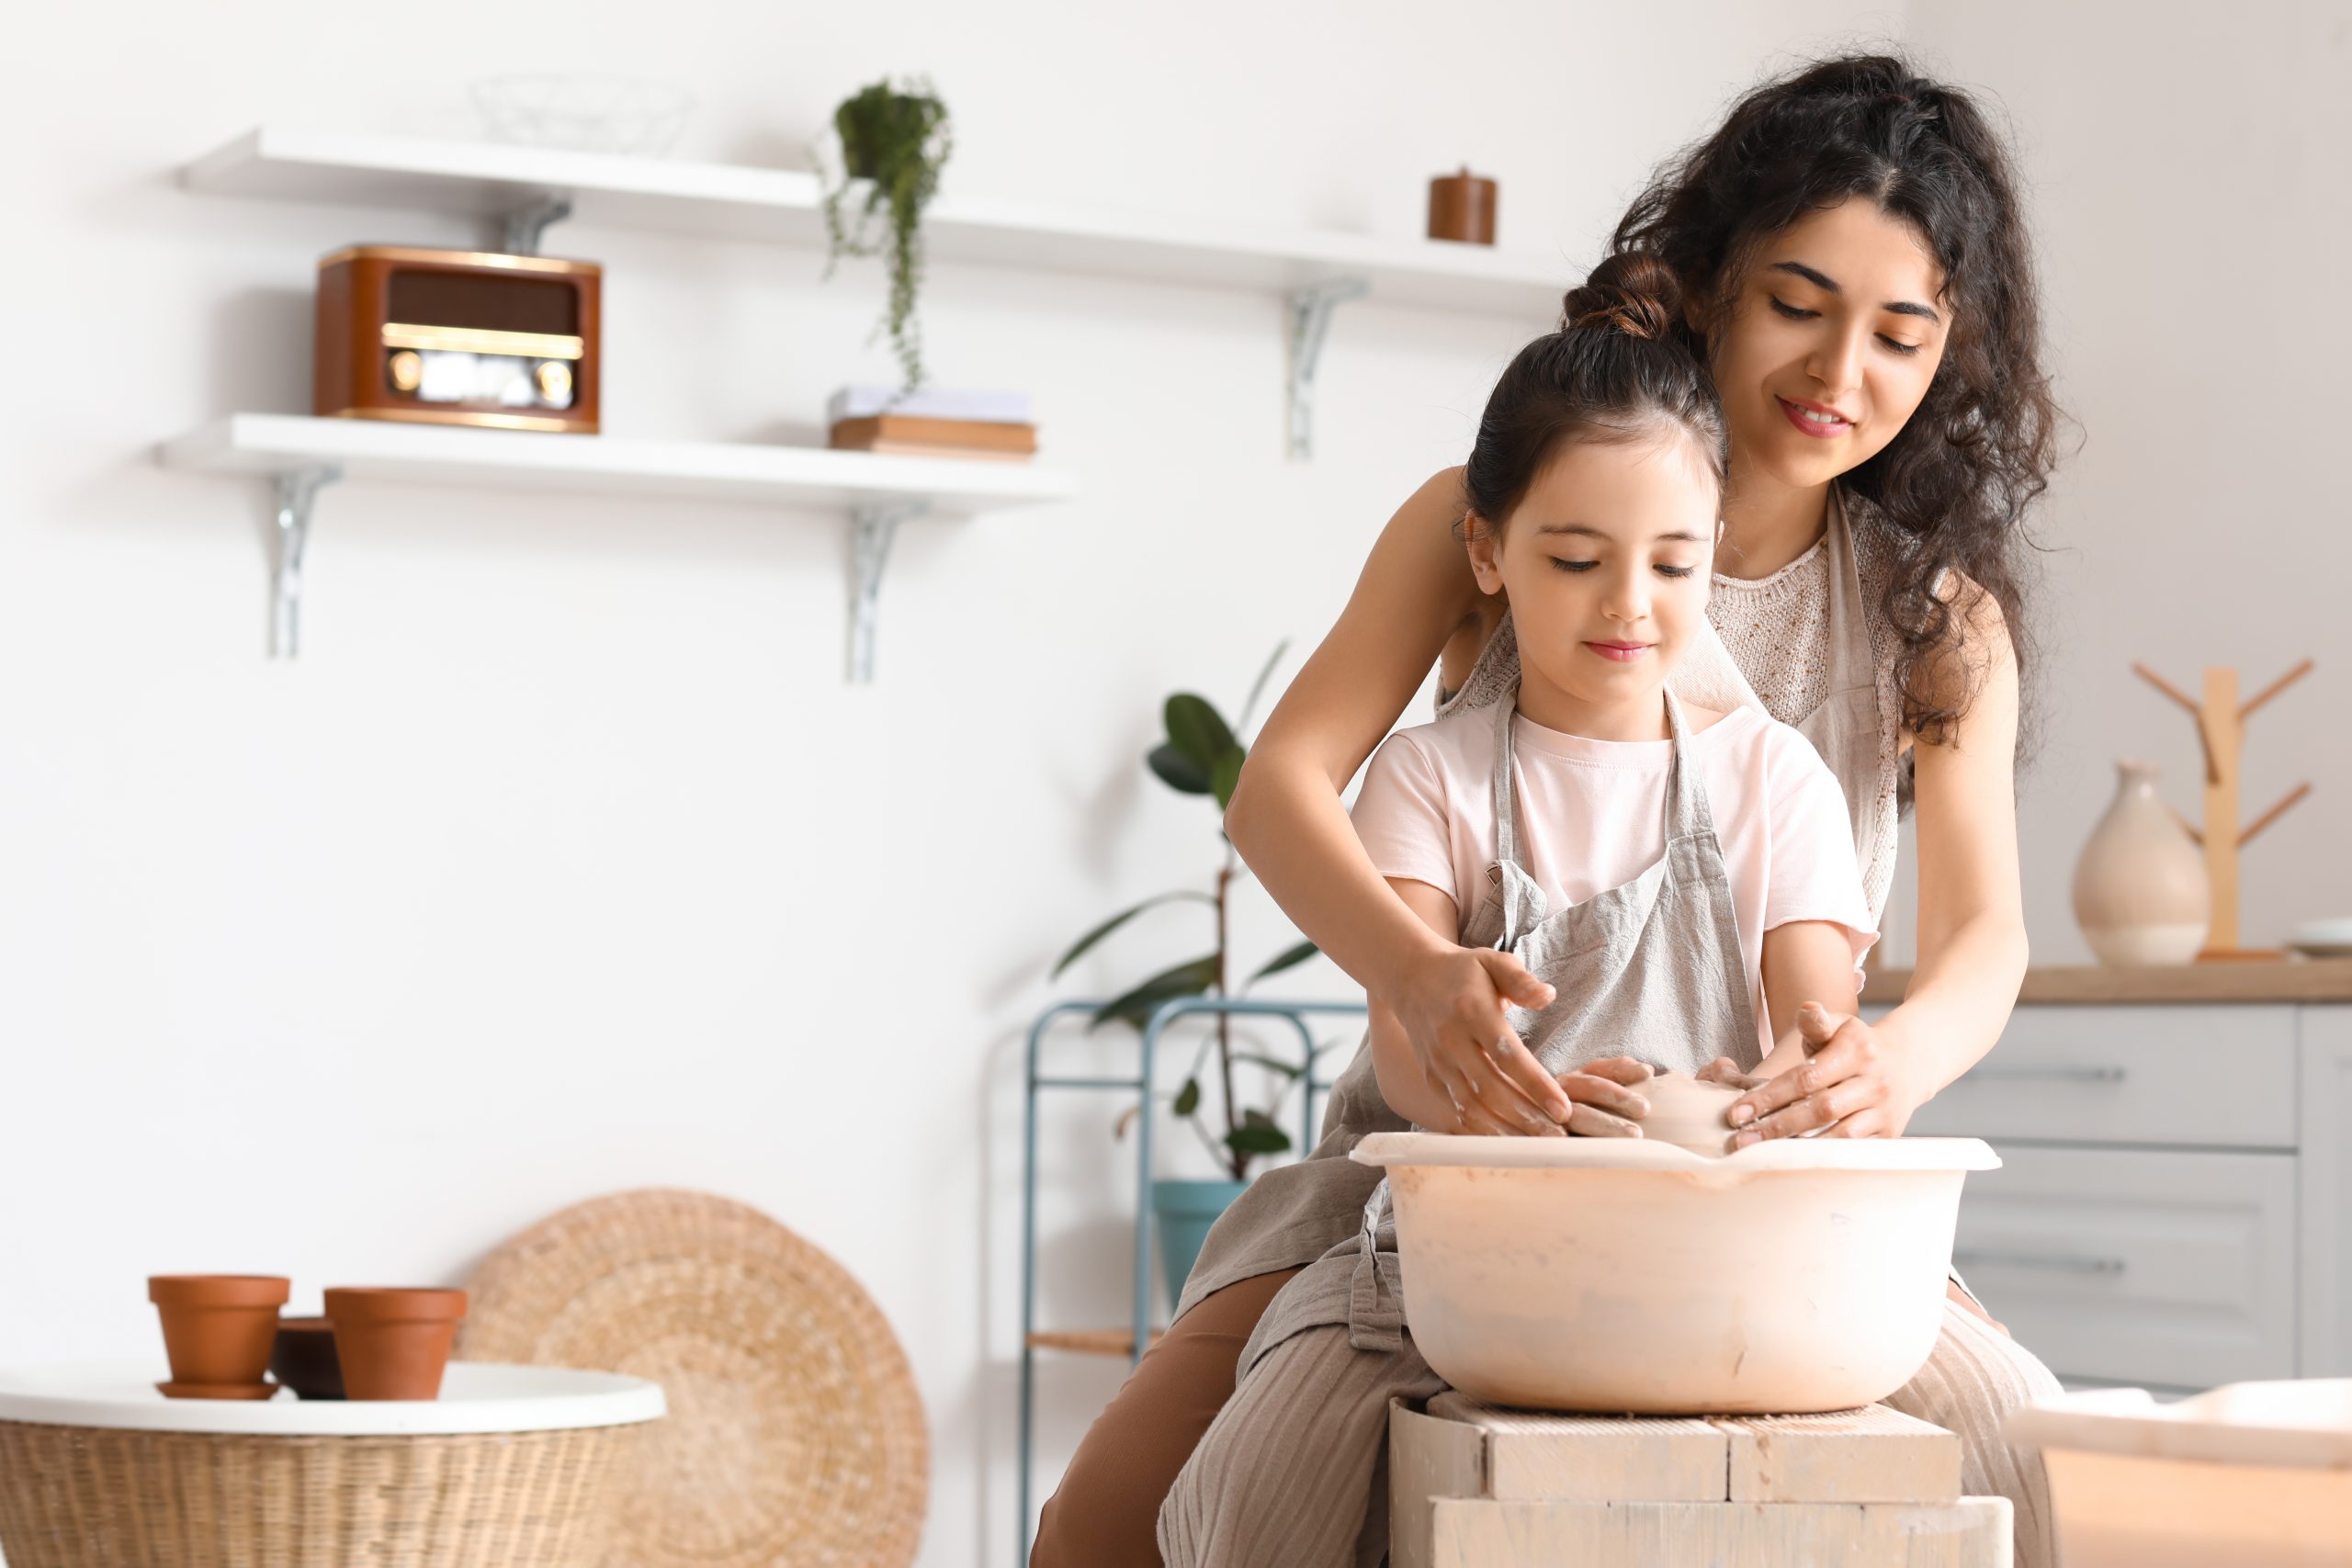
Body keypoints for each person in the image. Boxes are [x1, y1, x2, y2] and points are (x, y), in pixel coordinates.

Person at [1032, 52, 2064, 1568]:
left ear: (1950, 358)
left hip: (1753, 1200)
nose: (1841, 373)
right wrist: (1411, 972)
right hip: (1436, 1184)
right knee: (1106, 1530)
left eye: (1900, 336)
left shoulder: (1934, 620)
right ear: (1706, 281)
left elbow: (1987, 941)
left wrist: (1886, 1063)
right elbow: (1278, 791)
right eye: (1797, 302)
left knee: (2040, 1465)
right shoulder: (1495, 517)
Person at [1159, 258, 1886, 1564]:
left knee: (2013, 1428)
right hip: (1456, 1265)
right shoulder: (1433, 777)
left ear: (1711, 553)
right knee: (1252, 1500)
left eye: (1671, 563)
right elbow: (1404, 1046)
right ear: (1488, 553)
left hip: (1731, 1263)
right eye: (1575, 558)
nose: (1627, 605)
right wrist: (1488, 1075)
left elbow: (1814, 1035)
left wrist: (1805, 1086)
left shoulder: (1774, 777)